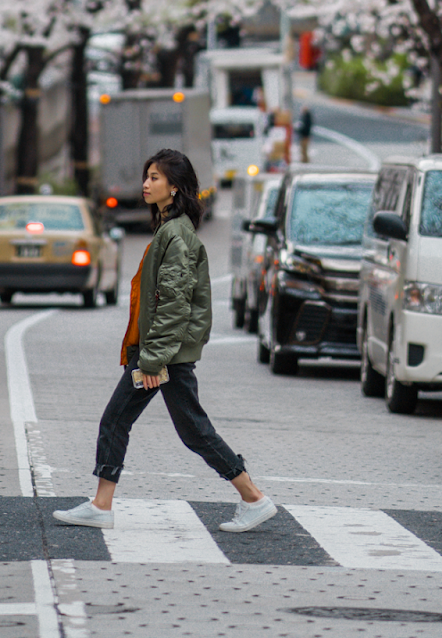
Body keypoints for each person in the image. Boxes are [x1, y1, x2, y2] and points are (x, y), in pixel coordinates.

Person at [53, 148, 277, 535]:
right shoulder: (171, 229)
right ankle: (102, 504)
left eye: (155, 177)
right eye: (147, 175)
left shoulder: (176, 234)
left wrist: (152, 361)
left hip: (162, 354)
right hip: (162, 352)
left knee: (151, 425)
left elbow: (173, 304)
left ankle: (254, 497)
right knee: (174, 427)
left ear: (174, 188)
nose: (146, 183)